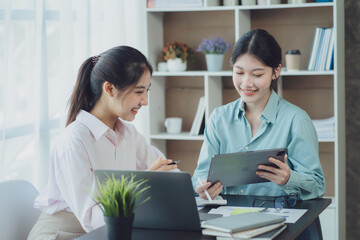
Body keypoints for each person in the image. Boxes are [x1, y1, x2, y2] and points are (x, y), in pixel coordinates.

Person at [28, 46, 178, 240]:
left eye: (147, 91)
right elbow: (92, 218)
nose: (145, 101)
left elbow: (166, 169)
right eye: (139, 91)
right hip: (63, 234)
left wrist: (193, 188)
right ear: (109, 88)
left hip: (109, 231)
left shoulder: (127, 133)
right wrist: (144, 184)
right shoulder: (75, 141)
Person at [192, 29, 326, 202]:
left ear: (276, 71)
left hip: (279, 220)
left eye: (257, 74)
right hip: (228, 220)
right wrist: (203, 188)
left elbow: (318, 185)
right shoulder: (219, 118)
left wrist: (288, 178)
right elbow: (202, 174)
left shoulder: (296, 120)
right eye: (239, 72)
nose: (246, 83)